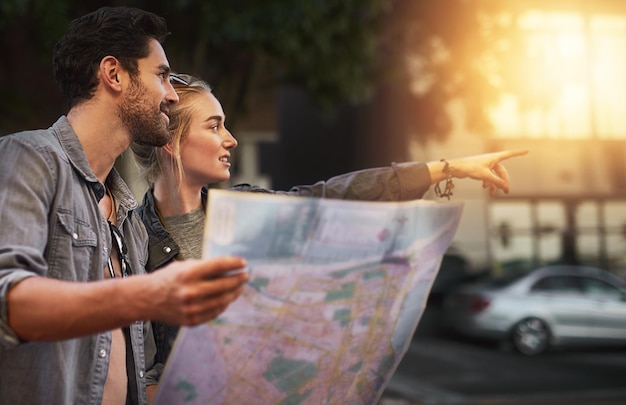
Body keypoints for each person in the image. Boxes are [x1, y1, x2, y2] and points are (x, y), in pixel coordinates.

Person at [131, 73, 529, 366]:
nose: (230, 139)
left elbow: (336, 195)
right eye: (214, 126)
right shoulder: (129, 238)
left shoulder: (247, 213)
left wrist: (447, 167)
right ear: (170, 141)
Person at [0, 8, 248, 405]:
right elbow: (7, 301)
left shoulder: (129, 220)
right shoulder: (29, 158)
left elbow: (138, 373)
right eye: (161, 75)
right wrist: (149, 293)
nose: (171, 94)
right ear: (113, 74)